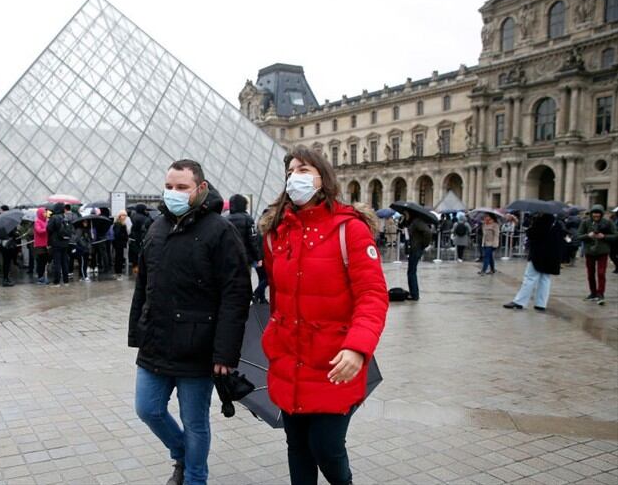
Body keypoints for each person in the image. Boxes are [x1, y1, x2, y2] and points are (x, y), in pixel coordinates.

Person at [258, 148, 388, 485]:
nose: (294, 176)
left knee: (326, 447)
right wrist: (273, 339)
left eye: (303, 169)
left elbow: (372, 295)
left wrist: (358, 347)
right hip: (289, 358)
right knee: (297, 447)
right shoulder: (276, 233)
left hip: (334, 362)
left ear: (323, 177)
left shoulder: (350, 230)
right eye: (290, 171)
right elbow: (277, 298)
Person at [128, 159, 251, 485]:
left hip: (199, 346)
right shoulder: (156, 227)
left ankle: (195, 477)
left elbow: (236, 295)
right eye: (169, 186)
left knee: (195, 421)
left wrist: (225, 354)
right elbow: (144, 286)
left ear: (201, 189)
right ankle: (183, 453)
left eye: (181, 187)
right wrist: (137, 331)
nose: (173, 193)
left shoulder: (220, 231)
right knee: (147, 409)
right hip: (156, 340)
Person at [504, 213, 566, 311]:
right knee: (545, 279)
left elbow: (532, 234)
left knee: (529, 278)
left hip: (538, 255)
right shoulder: (557, 224)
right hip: (551, 256)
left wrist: (530, 227)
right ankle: (541, 304)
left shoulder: (541, 221)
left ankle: (519, 301)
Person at [576, 205, 616, 305]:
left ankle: (600, 294)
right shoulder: (585, 222)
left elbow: (615, 235)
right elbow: (578, 235)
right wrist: (588, 235)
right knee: (590, 273)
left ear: (601, 214)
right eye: (594, 213)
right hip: (590, 252)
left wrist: (604, 236)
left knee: (601, 273)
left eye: (598, 213)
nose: (596, 215)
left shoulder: (608, 222)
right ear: (591, 214)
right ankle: (593, 293)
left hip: (603, 251)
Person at [401, 211, 431, 300]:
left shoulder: (417, 221)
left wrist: (424, 244)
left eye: (406, 213)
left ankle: (414, 294)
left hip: (416, 249)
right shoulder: (412, 222)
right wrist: (405, 220)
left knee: (411, 272)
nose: (405, 214)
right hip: (413, 249)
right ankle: (413, 293)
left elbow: (427, 232)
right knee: (411, 272)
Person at [46, 203, 71, 287]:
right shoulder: (65, 217)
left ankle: (57, 282)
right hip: (65, 242)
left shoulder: (54, 217)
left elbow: (49, 229)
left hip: (56, 242)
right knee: (65, 262)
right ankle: (66, 281)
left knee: (57, 263)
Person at [129, 205, 151, 274]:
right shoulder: (144, 218)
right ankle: (139, 268)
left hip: (132, 237)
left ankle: (134, 268)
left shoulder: (132, 216)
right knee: (140, 253)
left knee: (133, 254)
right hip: (140, 238)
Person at [33, 207, 50, 285]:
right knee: (41, 262)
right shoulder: (37, 222)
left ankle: (44, 277)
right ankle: (40, 278)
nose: (45, 214)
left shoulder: (47, 221)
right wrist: (47, 228)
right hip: (39, 245)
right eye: (44, 212)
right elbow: (39, 231)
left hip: (46, 245)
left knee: (45, 261)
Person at [112, 211, 129, 278]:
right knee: (119, 258)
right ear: (120, 216)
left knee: (120, 257)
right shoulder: (118, 224)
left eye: (125, 215)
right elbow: (117, 234)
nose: (124, 217)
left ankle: (119, 271)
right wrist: (125, 236)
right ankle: (118, 272)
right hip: (118, 243)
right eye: (123, 215)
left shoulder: (122, 224)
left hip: (120, 243)